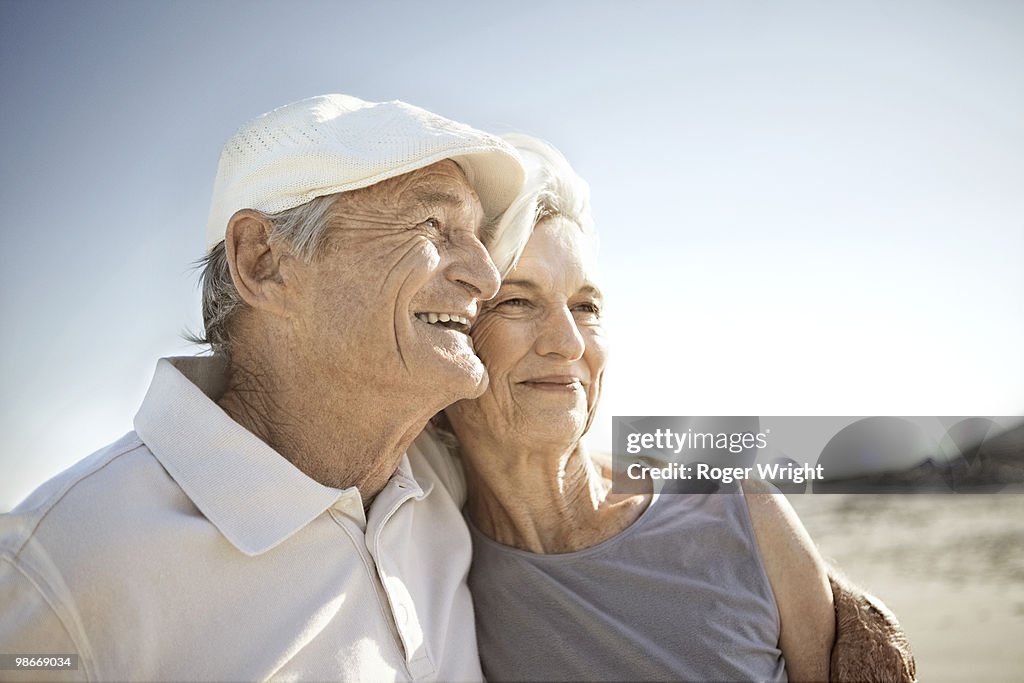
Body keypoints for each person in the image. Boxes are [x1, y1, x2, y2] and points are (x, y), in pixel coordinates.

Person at [0, 94, 524, 681]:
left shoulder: (446, 480)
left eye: (478, 236)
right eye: (433, 225)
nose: (486, 276)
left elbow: (619, 478)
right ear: (264, 260)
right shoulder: (55, 571)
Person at [441, 134, 915, 682]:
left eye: (586, 306)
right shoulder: (429, 559)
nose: (568, 342)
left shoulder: (742, 510)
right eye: (518, 301)